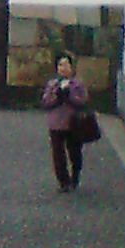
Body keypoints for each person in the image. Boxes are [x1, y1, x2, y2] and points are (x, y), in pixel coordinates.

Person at [41, 53, 91, 193]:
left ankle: (75, 176)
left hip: (74, 122)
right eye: (60, 65)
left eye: (66, 65)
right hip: (56, 123)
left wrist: (71, 96)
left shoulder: (78, 83)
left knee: (75, 151)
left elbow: (83, 100)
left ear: (72, 67)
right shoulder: (52, 84)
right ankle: (63, 181)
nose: (63, 68)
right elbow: (45, 101)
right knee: (58, 154)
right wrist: (56, 96)